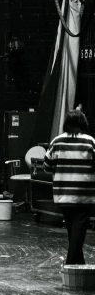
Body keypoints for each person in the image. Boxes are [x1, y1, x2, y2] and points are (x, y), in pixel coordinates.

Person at [42, 108, 95, 265]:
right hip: (83, 195)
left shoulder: (57, 141)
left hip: (63, 194)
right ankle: (71, 263)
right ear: (83, 123)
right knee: (79, 230)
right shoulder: (90, 141)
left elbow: (46, 166)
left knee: (72, 229)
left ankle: (78, 263)